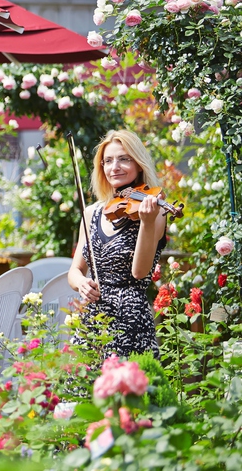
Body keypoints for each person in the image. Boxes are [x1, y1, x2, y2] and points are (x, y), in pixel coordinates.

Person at [68, 130, 167, 359]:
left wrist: (147, 222)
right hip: (94, 319)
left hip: (130, 320)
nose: (115, 167)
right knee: (83, 390)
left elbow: (140, 272)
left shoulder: (155, 211)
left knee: (127, 392)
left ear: (139, 164)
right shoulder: (91, 213)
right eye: (108, 161)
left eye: (124, 158)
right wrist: (82, 283)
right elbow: (75, 270)